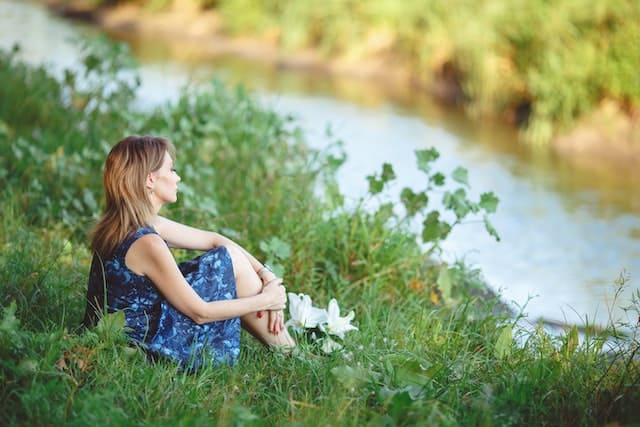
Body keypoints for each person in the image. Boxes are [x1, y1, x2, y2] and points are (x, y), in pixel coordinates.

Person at [82, 135, 295, 370]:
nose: (177, 177)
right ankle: (291, 354)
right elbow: (200, 313)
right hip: (146, 345)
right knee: (231, 262)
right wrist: (267, 299)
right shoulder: (147, 243)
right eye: (171, 170)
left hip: (132, 328)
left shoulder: (127, 223)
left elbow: (215, 240)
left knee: (230, 257)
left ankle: (288, 350)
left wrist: (267, 276)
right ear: (150, 179)